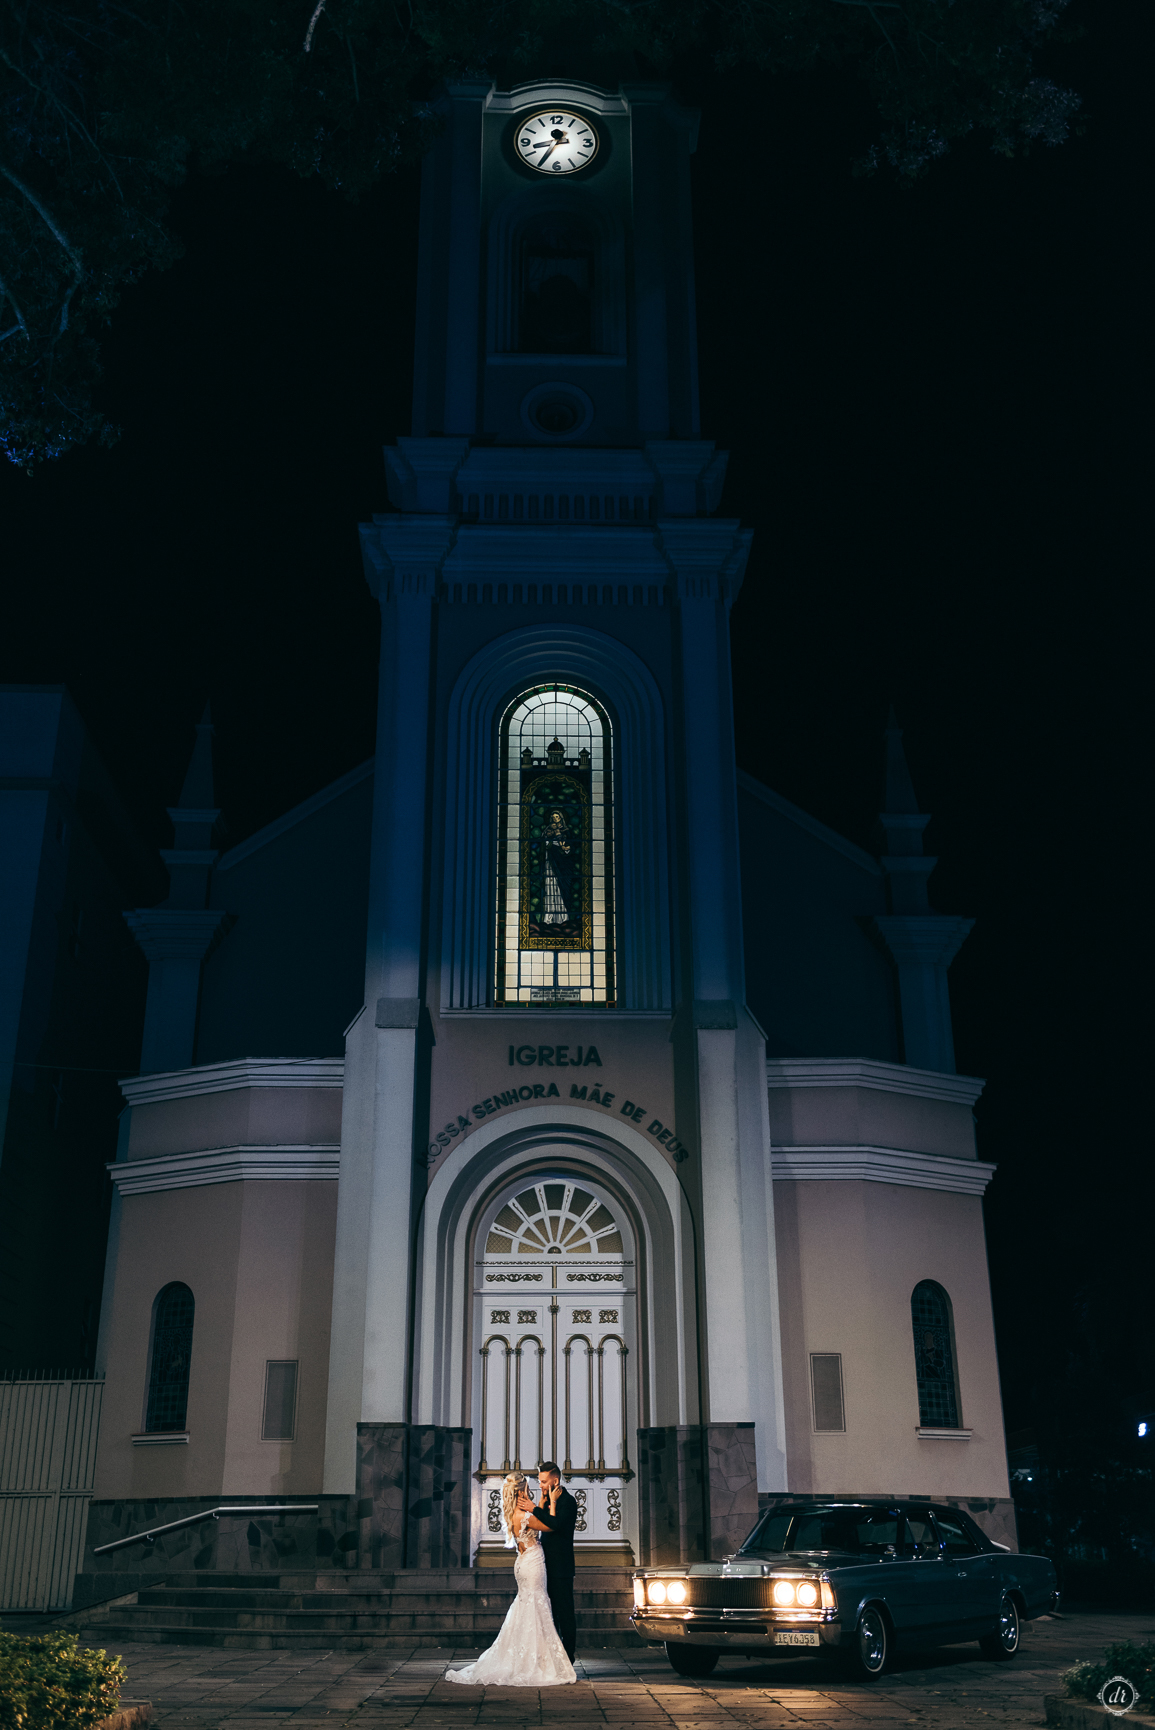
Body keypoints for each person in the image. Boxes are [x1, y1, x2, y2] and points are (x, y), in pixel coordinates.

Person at [444, 1472, 576, 1686]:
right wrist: (550, 1503)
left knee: (528, 1606)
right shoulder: (526, 1515)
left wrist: (540, 1504)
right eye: (528, 1488)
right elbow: (551, 1526)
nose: (532, 1490)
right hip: (532, 1563)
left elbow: (538, 1521)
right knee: (536, 1606)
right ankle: (537, 1661)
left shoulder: (514, 1513)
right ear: (522, 1491)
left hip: (523, 1563)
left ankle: (530, 1656)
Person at [532, 1461, 578, 1661]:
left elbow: (556, 1525)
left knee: (564, 1613)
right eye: (540, 1481)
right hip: (545, 1565)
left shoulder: (568, 1501)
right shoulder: (546, 1500)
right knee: (550, 1614)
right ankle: (553, 1656)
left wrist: (534, 1509)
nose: (540, 1485)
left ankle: (568, 1657)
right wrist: (541, 1505)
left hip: (561, 1567)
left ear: (555, 1481)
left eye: (543, 1481)